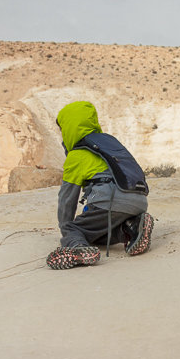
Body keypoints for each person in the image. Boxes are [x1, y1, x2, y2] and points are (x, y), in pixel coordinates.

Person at [46, 100, 154, 270]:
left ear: (69, 128)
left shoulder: (77, 155)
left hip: (110, 200)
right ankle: (131, 227)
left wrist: (67, 230)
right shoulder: (107, 144)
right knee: (94, 233)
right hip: (139, 200)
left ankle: (78, 249)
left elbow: (67, 199)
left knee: (74, 229)